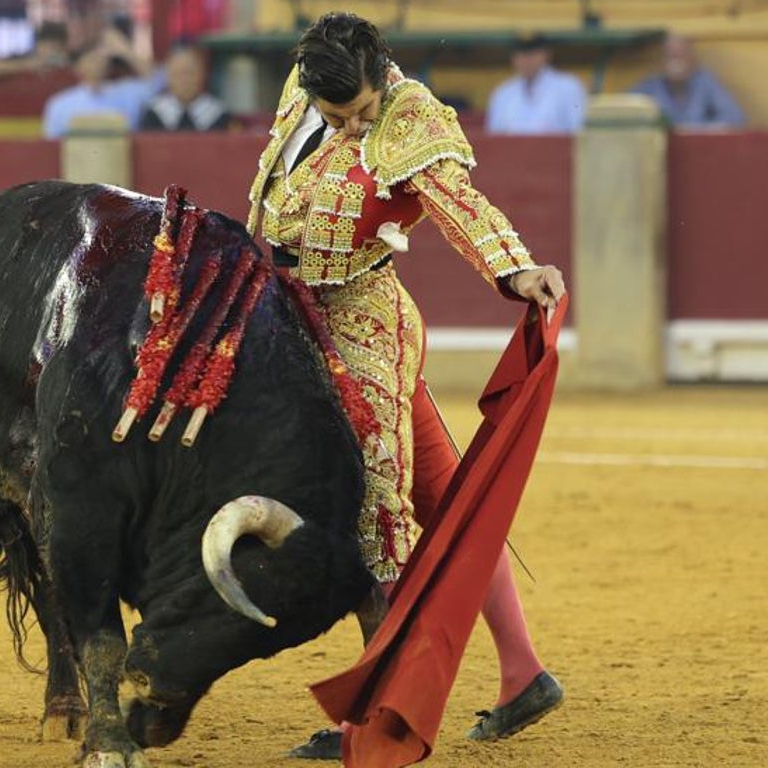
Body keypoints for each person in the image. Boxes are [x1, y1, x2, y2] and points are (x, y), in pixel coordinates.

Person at [244, 13, 566, 758]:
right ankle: (523, 672)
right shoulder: (309, 84)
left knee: (377, 513)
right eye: (337, 117)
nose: (352, 129)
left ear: (383, 74)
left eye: (359, 113)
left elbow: (461, 207)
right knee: (448, 501)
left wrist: (515, 270)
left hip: (364, 327)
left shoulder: (411, 116)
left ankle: (371, 716)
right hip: (290, 314)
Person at [41, 27, 160, 138]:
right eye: (91, 59)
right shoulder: (60, 104)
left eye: (100, 58)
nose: (97, 63)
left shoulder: (128, 92)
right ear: (78, 67)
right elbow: (52, 147)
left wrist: (125, 51)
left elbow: (159, 82)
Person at [632, 33, 745, 129]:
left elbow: (735, 118)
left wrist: (699, 131)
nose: (676, 62)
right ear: (661, 62)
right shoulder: (651, 86)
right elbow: (623, 114)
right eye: (671, 56)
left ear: (693, 60)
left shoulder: (705, 82)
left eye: (681, 55)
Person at [485, 34, 585, 134]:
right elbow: (494, 136)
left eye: (533, 54)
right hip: (514, 149)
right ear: (513, 58)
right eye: (521, 54)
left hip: (555, 148)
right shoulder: (503, 93)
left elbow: (578, 131)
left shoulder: (568, 87)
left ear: (546, 54)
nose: (527, 60)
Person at [139, 46, 229, 132]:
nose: (184, 81)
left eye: (190, 74)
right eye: (178, 74)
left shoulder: (218, 114)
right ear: (168, 77)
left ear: (203, 75)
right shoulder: (154, 114)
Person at [0, 20, 70, 78]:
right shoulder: (24, 59)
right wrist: (26, 66)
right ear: (38, 46)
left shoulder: (71, 62)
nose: (50, 53)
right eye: (47, 47)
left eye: (55, 49)